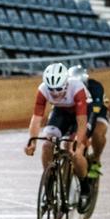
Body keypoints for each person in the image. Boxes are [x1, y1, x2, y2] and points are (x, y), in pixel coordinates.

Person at [24, 63, 91, 209]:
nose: (54, 92)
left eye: (59, 88)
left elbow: (81, 123)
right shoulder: (42, 90)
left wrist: (77, 143)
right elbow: (36, 119)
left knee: (74, 151)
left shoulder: (76, 88)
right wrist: (32, 142)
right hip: (60, 112)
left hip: (82, 114)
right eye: (51, 88)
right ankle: (49, 182)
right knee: (47, 144)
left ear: (66, 84)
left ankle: (85, 186)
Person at [68, 65, 109, 179]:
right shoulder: (66, 88)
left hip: (98, 109)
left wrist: (87, 133)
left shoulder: (96, 87)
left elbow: (94, 113)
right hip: (79, 109)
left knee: (97, 132)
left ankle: (96, 159)